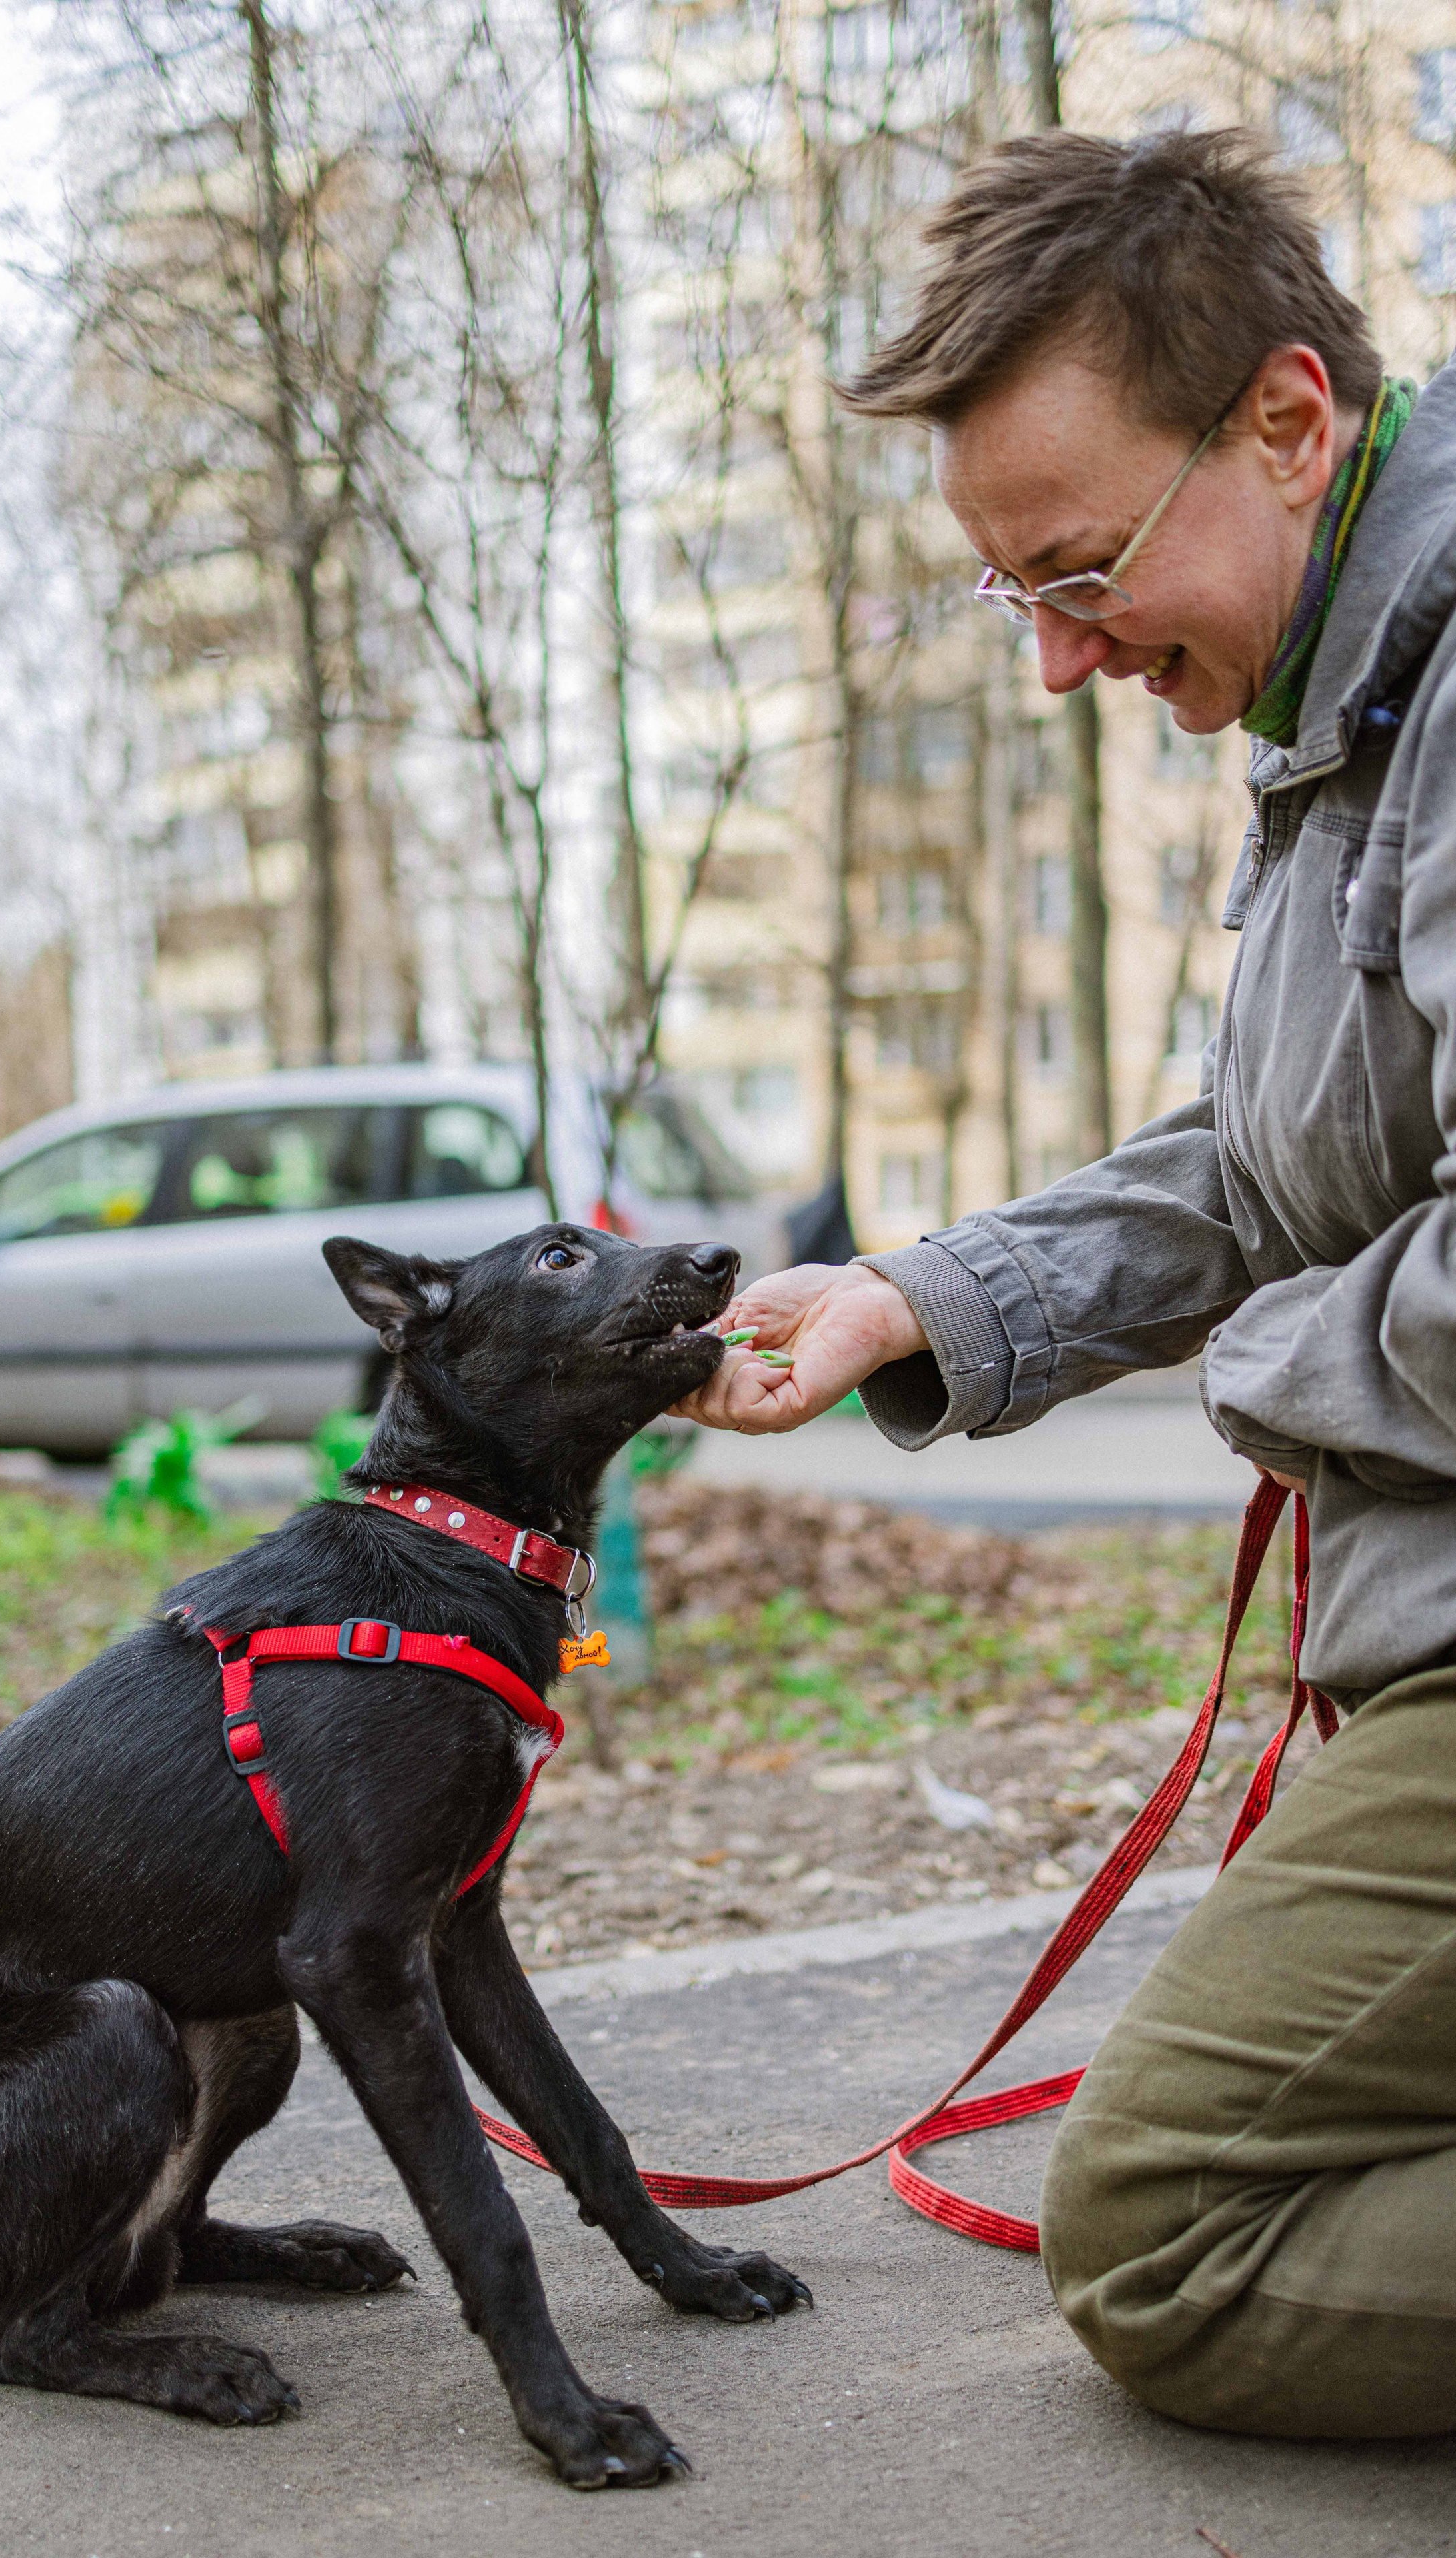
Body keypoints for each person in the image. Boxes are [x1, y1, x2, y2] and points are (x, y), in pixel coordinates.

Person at [675, 126, 1456, 2441]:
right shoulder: (1357, 695)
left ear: (1290, 422)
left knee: (1176, 2239)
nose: (1050, 662)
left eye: (1083, 568)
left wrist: (1281, 1371)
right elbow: (1273, 1152)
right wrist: (919, 1295)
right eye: (1011, 594)